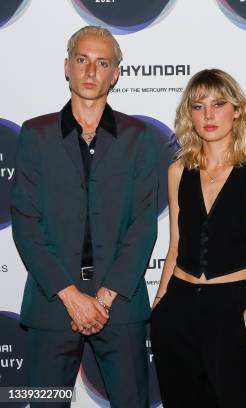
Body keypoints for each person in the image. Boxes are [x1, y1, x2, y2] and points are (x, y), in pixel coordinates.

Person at [11, 26, 157, 407]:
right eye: (82, 60)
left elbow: (143, 226)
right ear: (67, 67)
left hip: (120, 305)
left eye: (102, 62)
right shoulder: (35, 134)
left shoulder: (138, 136)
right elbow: (26, 223)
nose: (91, 71)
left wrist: (103, 300)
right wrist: (72, 296)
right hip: (52, 304)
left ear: (116, 74)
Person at [151, 68, 246, 408]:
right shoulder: (177, 171)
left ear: (236, 110)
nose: (208, 115)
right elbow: (176, 246)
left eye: (218, 104)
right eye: (198, 106)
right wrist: (160, 307)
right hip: (177, 310)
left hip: (233, 308)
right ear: (188, 114)